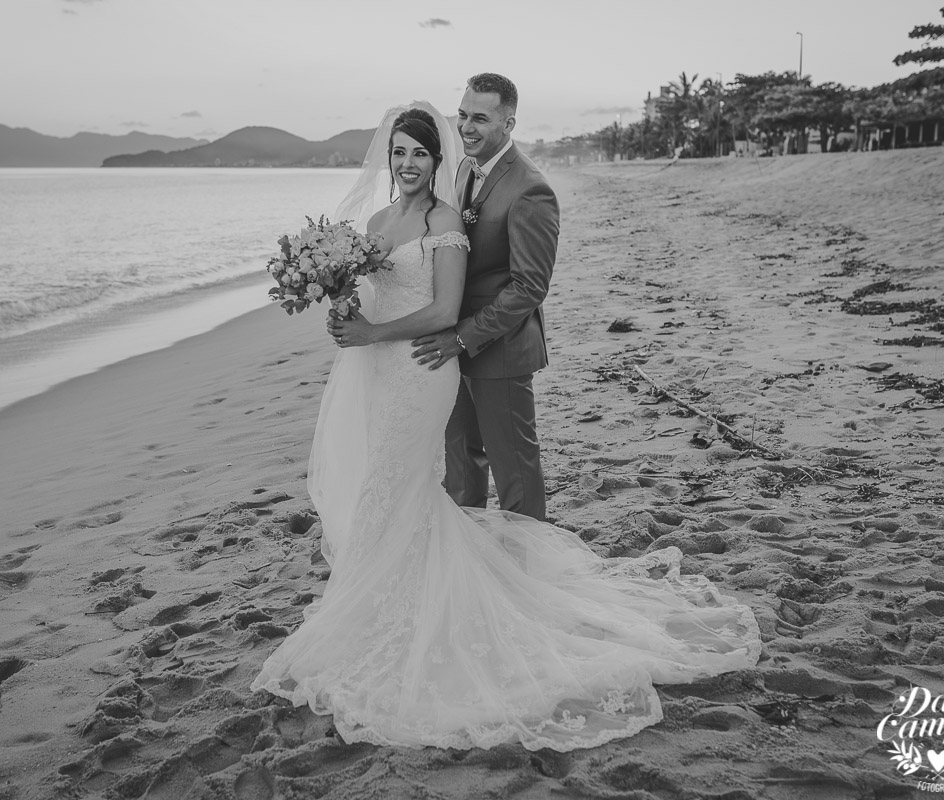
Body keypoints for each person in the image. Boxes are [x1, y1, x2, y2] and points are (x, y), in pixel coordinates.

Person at [250, 97, 761, 752]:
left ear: (438, 162)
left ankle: (402, 615)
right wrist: (338, 294)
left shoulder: (444, 223)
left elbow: (442, 311)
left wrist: (372, 329)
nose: (408, 164)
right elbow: (372, 295)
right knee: (395, 488)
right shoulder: (376, 222)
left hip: (422, 373)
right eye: (399, 153)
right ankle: (379, 605)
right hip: (380, 373)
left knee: (396, 484)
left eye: (420, 154)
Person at [410, 73, 557, 521]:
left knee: (515, 471)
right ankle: (470, 565)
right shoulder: (461, 170)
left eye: (480, 118)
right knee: (462, 466)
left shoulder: (531, 188)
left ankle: (526, 574)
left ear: (508, 123)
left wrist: (462, 337)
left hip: (502, 350)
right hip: (452, 345)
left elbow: (529, 286)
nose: (466, 127)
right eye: (462, 115)